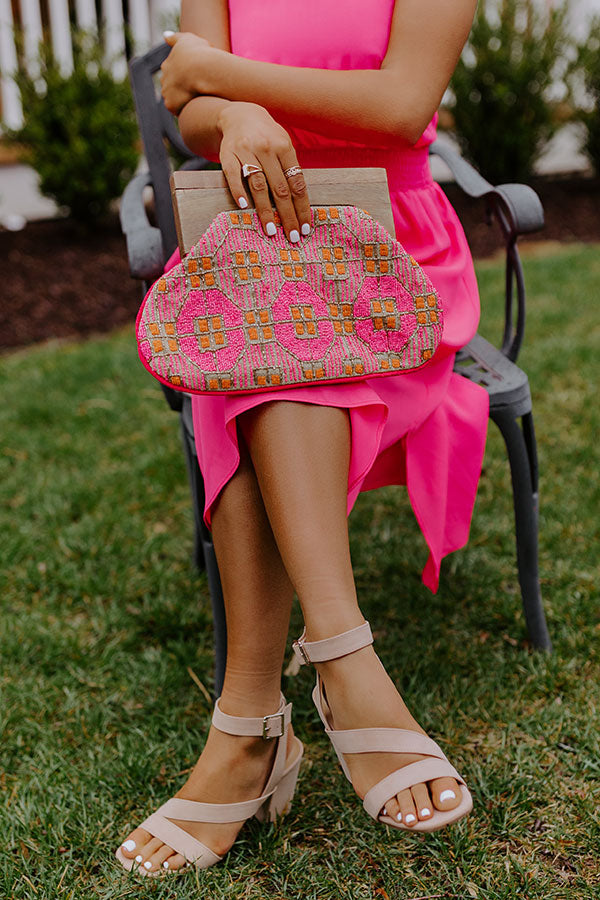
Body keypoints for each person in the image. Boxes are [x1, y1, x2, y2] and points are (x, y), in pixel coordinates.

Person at [116, 0, 488, 877]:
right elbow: (189, 107)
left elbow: (399, 108)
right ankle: (344, 664)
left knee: (268, 366)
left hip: (390, 259)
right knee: (261, 347)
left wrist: (228, 77)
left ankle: (249, 728)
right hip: (251, 233)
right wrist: (234, 113)